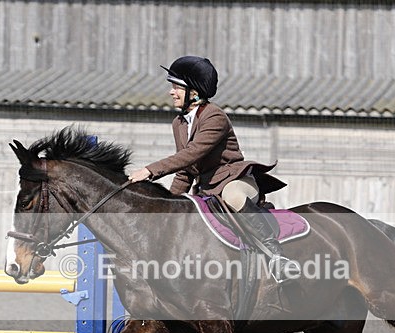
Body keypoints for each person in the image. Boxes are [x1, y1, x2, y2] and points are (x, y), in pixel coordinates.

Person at [128, 56, 301, 282]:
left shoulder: (214, 116)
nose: (171, 92)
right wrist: (170, 203)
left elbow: (192, 153)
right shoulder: (178, 123)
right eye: (172, 87)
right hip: (206, 189)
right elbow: (186, 169)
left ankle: (277, 256)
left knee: (234, 196)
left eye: (177, 87)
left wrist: (150, 170)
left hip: (234, 180)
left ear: (195, 91)